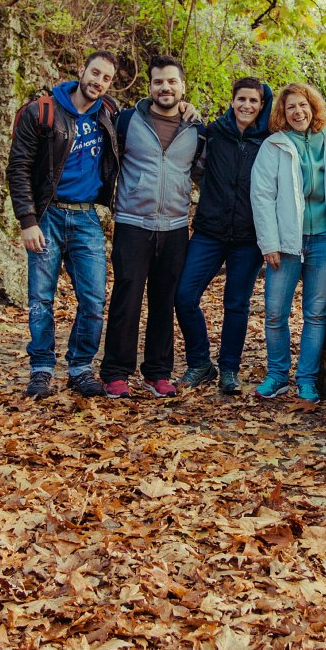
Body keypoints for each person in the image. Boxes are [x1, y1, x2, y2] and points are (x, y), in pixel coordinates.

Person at [5, 51, 121, 399]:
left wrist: (186, 109)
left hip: (86, 218)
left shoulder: (109, 113)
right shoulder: (42, 112)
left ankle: (80, 367)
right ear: (81, 70)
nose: (98, 82)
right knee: (41, 298)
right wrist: (28, 221)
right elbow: (18, 167)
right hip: (48, 216)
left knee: (94, 300)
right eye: (95, 73)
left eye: (106, 78)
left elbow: (150, 115)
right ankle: (41, 368)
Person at [249, 81, 326, 403]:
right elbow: (261, 197)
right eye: (291, 107)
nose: (298, 112)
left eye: (303, 105)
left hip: (325, 241)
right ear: (282, 113)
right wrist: (269, 243)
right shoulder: (274, 146)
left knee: (315, 314)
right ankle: (277, 376)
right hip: (286, 243)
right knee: (275, 313)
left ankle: (307, 380)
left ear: (313, 108)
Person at [100, 54, 205, 398]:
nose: (165, 87)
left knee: (165, 301)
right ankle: (116, 373)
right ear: (149, 87)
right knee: (126, 298)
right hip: (133, 223)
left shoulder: (196, 129)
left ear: (183, 86)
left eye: (172, 81)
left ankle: (158, 373)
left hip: (175, 227)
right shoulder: (128, 121)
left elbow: (203, 173)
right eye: (159, 81)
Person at [174, 78, 272, 395]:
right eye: (241, 99)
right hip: (209, 232)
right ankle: (200, 362)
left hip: (248, 237)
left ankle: (229, 368)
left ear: (262, 105)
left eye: (253, 101)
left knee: (237, 304)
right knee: (184, 296)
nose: (246, 105)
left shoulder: (269, 141)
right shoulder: (214, 133)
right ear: (232, 101)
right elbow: (197, 170)